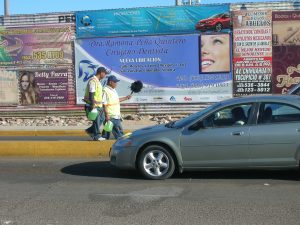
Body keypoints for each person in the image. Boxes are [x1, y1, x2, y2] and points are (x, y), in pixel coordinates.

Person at [102, 75, 132, 139]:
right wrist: (107, 115)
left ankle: (101, 144)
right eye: (115, 82)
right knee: (119, 134)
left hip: (115, 115)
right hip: (111, 116)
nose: (116, 84)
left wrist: (126, 98)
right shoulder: (105, 90)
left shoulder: (113, 90)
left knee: (106, 134)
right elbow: (104, 104)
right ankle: (122, 146)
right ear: (110, 82)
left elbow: (117, 100)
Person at [84, 67, 109, 141]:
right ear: (101, 73)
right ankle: (97, 136)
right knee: (97, 120)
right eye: (104, 73)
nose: (105, 75)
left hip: (99, 105)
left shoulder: (98, 81)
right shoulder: (93, 81)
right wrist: (93, 106)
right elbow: (91, 94)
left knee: (102, 119)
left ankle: (90, 131)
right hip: (94, 105)